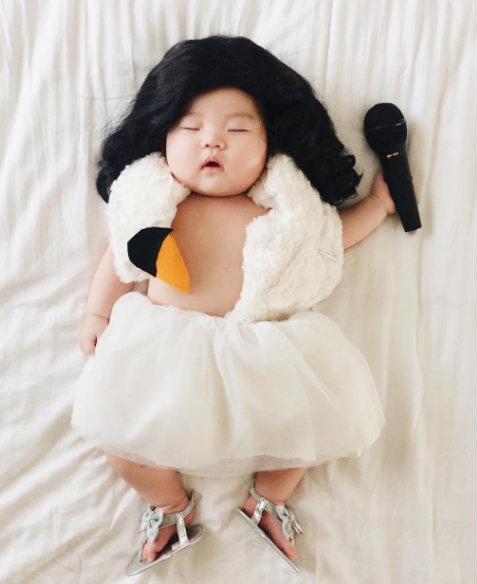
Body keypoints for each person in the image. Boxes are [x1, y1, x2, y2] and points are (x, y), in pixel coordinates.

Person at [71, 35, 393, 575]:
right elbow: (120, 257)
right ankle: (170, 505)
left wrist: (379, 207)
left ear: (270, 146)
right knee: (119, 439)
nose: (212, 141)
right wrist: (98, 313)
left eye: (237, 130)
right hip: (166, 348)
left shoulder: (284, 213)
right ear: (163, 138)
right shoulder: (156, 208)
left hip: (260, 348)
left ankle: (267, 499)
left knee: (307, 425)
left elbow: (331, 238)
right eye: (190, 128)